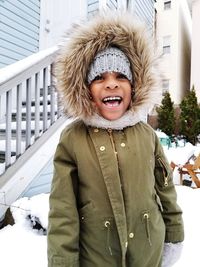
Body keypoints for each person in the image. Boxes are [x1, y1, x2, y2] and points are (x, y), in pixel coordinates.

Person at [47, 12, 184, 267]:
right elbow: (62, 210)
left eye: (121, 77)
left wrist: (174, 235)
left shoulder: (147, 136)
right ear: (85, 89)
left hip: (148, 253)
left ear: (135, 86)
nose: (111, 85)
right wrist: (63, 261)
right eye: (99, 78)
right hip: (97, 257)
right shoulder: (73, 139)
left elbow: (166, 191)